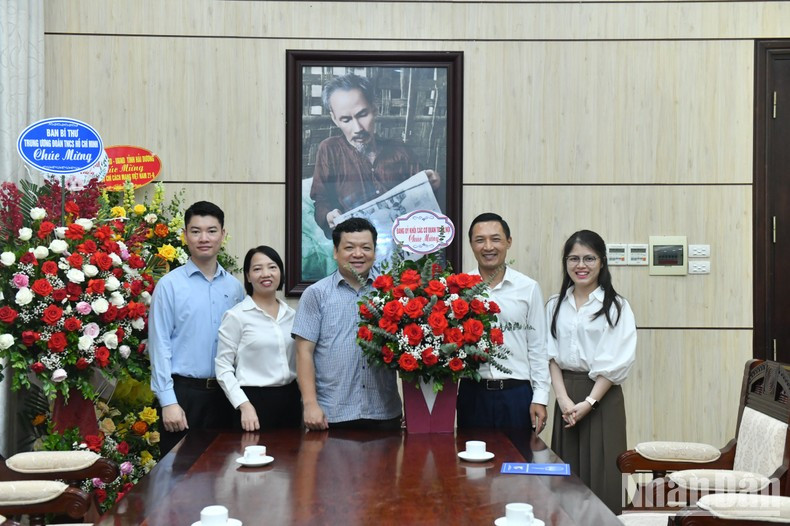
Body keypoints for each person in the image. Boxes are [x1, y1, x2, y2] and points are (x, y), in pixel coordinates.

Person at [546, 229, 637, 514]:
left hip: (602, 399)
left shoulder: (617, 306)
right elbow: (549, 356)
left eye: (589, 258)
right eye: (573, 258)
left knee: (602, 475)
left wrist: (589, 402)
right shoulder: (554, 304)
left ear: (602, 262)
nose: (580, 265)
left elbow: (616, 362)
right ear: (565, 262)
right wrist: (562, 399)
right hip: (566, 398)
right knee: (565, 478)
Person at [149, 201, 245, 454]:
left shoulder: (235, 288)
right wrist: (168, 401)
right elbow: (159, 346)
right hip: (184, 396)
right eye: (196, 231)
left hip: (227, 396)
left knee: (225, 476)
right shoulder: (169, 285)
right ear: (185, 235)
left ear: (223, 235)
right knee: (180, 480)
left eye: (212, 230)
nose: (204, 238)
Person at [292, 217, 402, 431]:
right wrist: (310, 404)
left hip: (385, 412)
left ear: (375, 252)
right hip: (330, 415)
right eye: (349, 247)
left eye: (366, 248)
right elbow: (303, 353)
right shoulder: (316, 294)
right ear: (335, 252)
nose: (358, 254)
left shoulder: (390, 293)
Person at [310, 73, 440, 237]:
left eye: (362, 114)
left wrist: (434, 184)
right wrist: (328, 215)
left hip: (401, 241)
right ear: (335, 119)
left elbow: (426, 199)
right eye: (345, 119)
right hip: (357, 243)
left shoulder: (401, 151)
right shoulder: (329, 150)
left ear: (374, 109)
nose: (357, 128)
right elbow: (321, 200)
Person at [456, 213, 550, 431]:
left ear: (508, 242)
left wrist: (541, 397)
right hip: (473, 392)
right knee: (470, 464)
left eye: (495, 239)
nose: (488, 247)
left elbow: (538, 347)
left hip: (517, 394)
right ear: (471, 244)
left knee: (517, 462)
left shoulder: (528, 288)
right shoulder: (459, 289)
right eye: (480, 240)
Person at [215, 246, 301, 431]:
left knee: (291, 459)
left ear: (280, 272)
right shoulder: (236, 316)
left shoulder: (292, 315)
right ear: (247, 276)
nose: (265, 274)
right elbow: (223, 367)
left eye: (272, 267)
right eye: (257, 269)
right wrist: (243, 405)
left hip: (291, 401)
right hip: (252, 403)